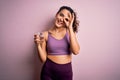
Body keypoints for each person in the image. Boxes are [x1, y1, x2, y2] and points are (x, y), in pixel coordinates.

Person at [34, 6, 80, 80]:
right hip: (47, 72)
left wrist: (70, 28)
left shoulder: (70, 33)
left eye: (66, 19)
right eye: (61, 15)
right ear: (56, 14)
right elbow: (43, 59)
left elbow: (76, 51)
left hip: (66, 74)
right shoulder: (45, 34)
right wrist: (38, 45)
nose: (62, 19)